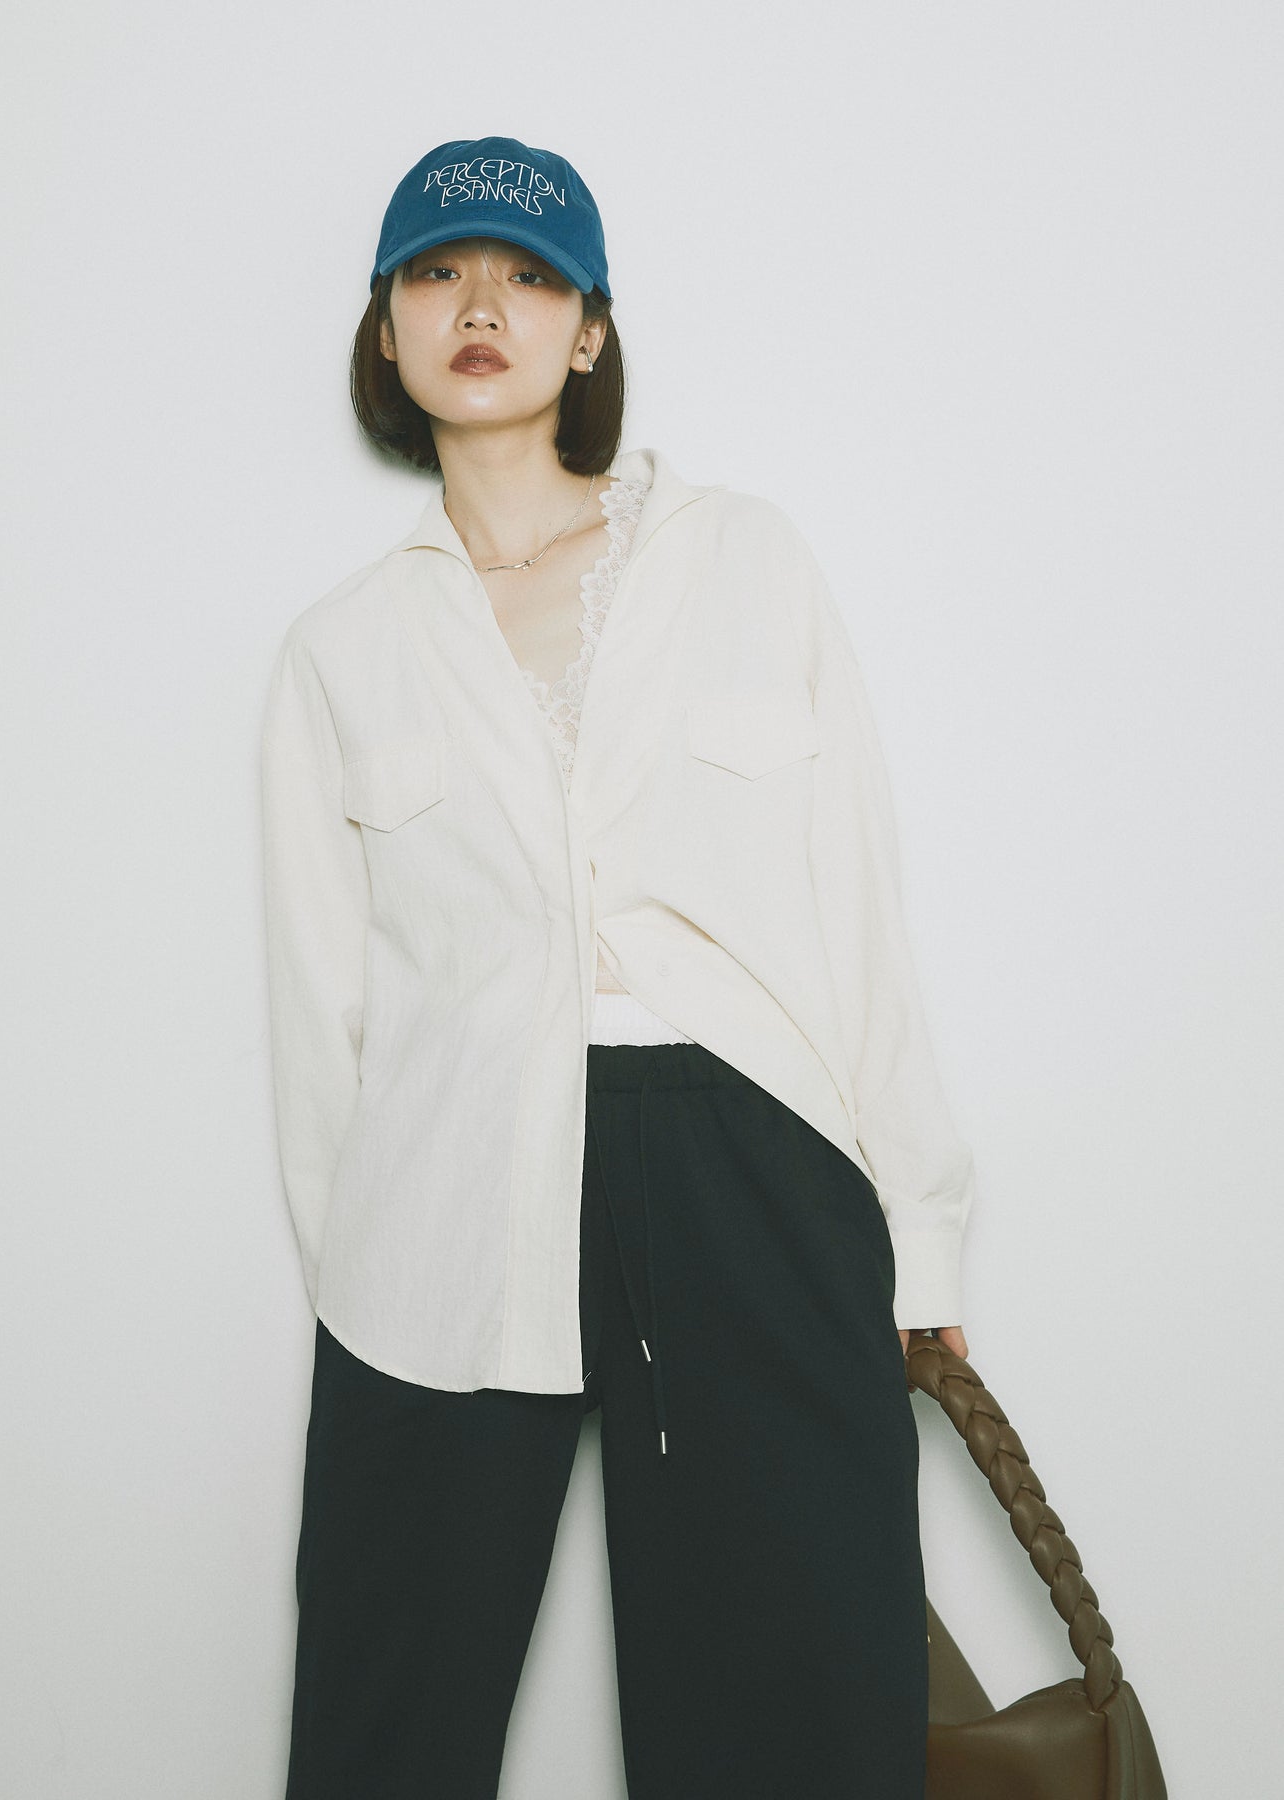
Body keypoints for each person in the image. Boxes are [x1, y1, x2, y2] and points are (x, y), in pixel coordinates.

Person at [260, 133, 976, 1800]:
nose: (480, 306)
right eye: (437, 273)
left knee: (788, 1711)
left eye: (529, 276)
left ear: (588, 331)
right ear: (386, 329)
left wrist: (920, 1233)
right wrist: (361, 1284)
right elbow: (319, 1016)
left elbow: (854, 902)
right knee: (384, 1713)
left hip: (748, 1153)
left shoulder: (742, 559)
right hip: (451, 1189)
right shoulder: (341, 651)